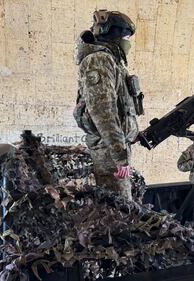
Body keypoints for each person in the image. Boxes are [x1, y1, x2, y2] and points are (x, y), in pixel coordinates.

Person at [73, 10, 144, 200]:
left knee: (121, 210)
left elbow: (121, 108)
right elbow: (103, 113)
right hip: (108, 153)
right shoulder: (99, 60)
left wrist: (132, 132)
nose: (128, 43)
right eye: (127, 37)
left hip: (114, 149)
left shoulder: (111, 61)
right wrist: (120, 158)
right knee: (119, 212)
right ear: (115, 35)